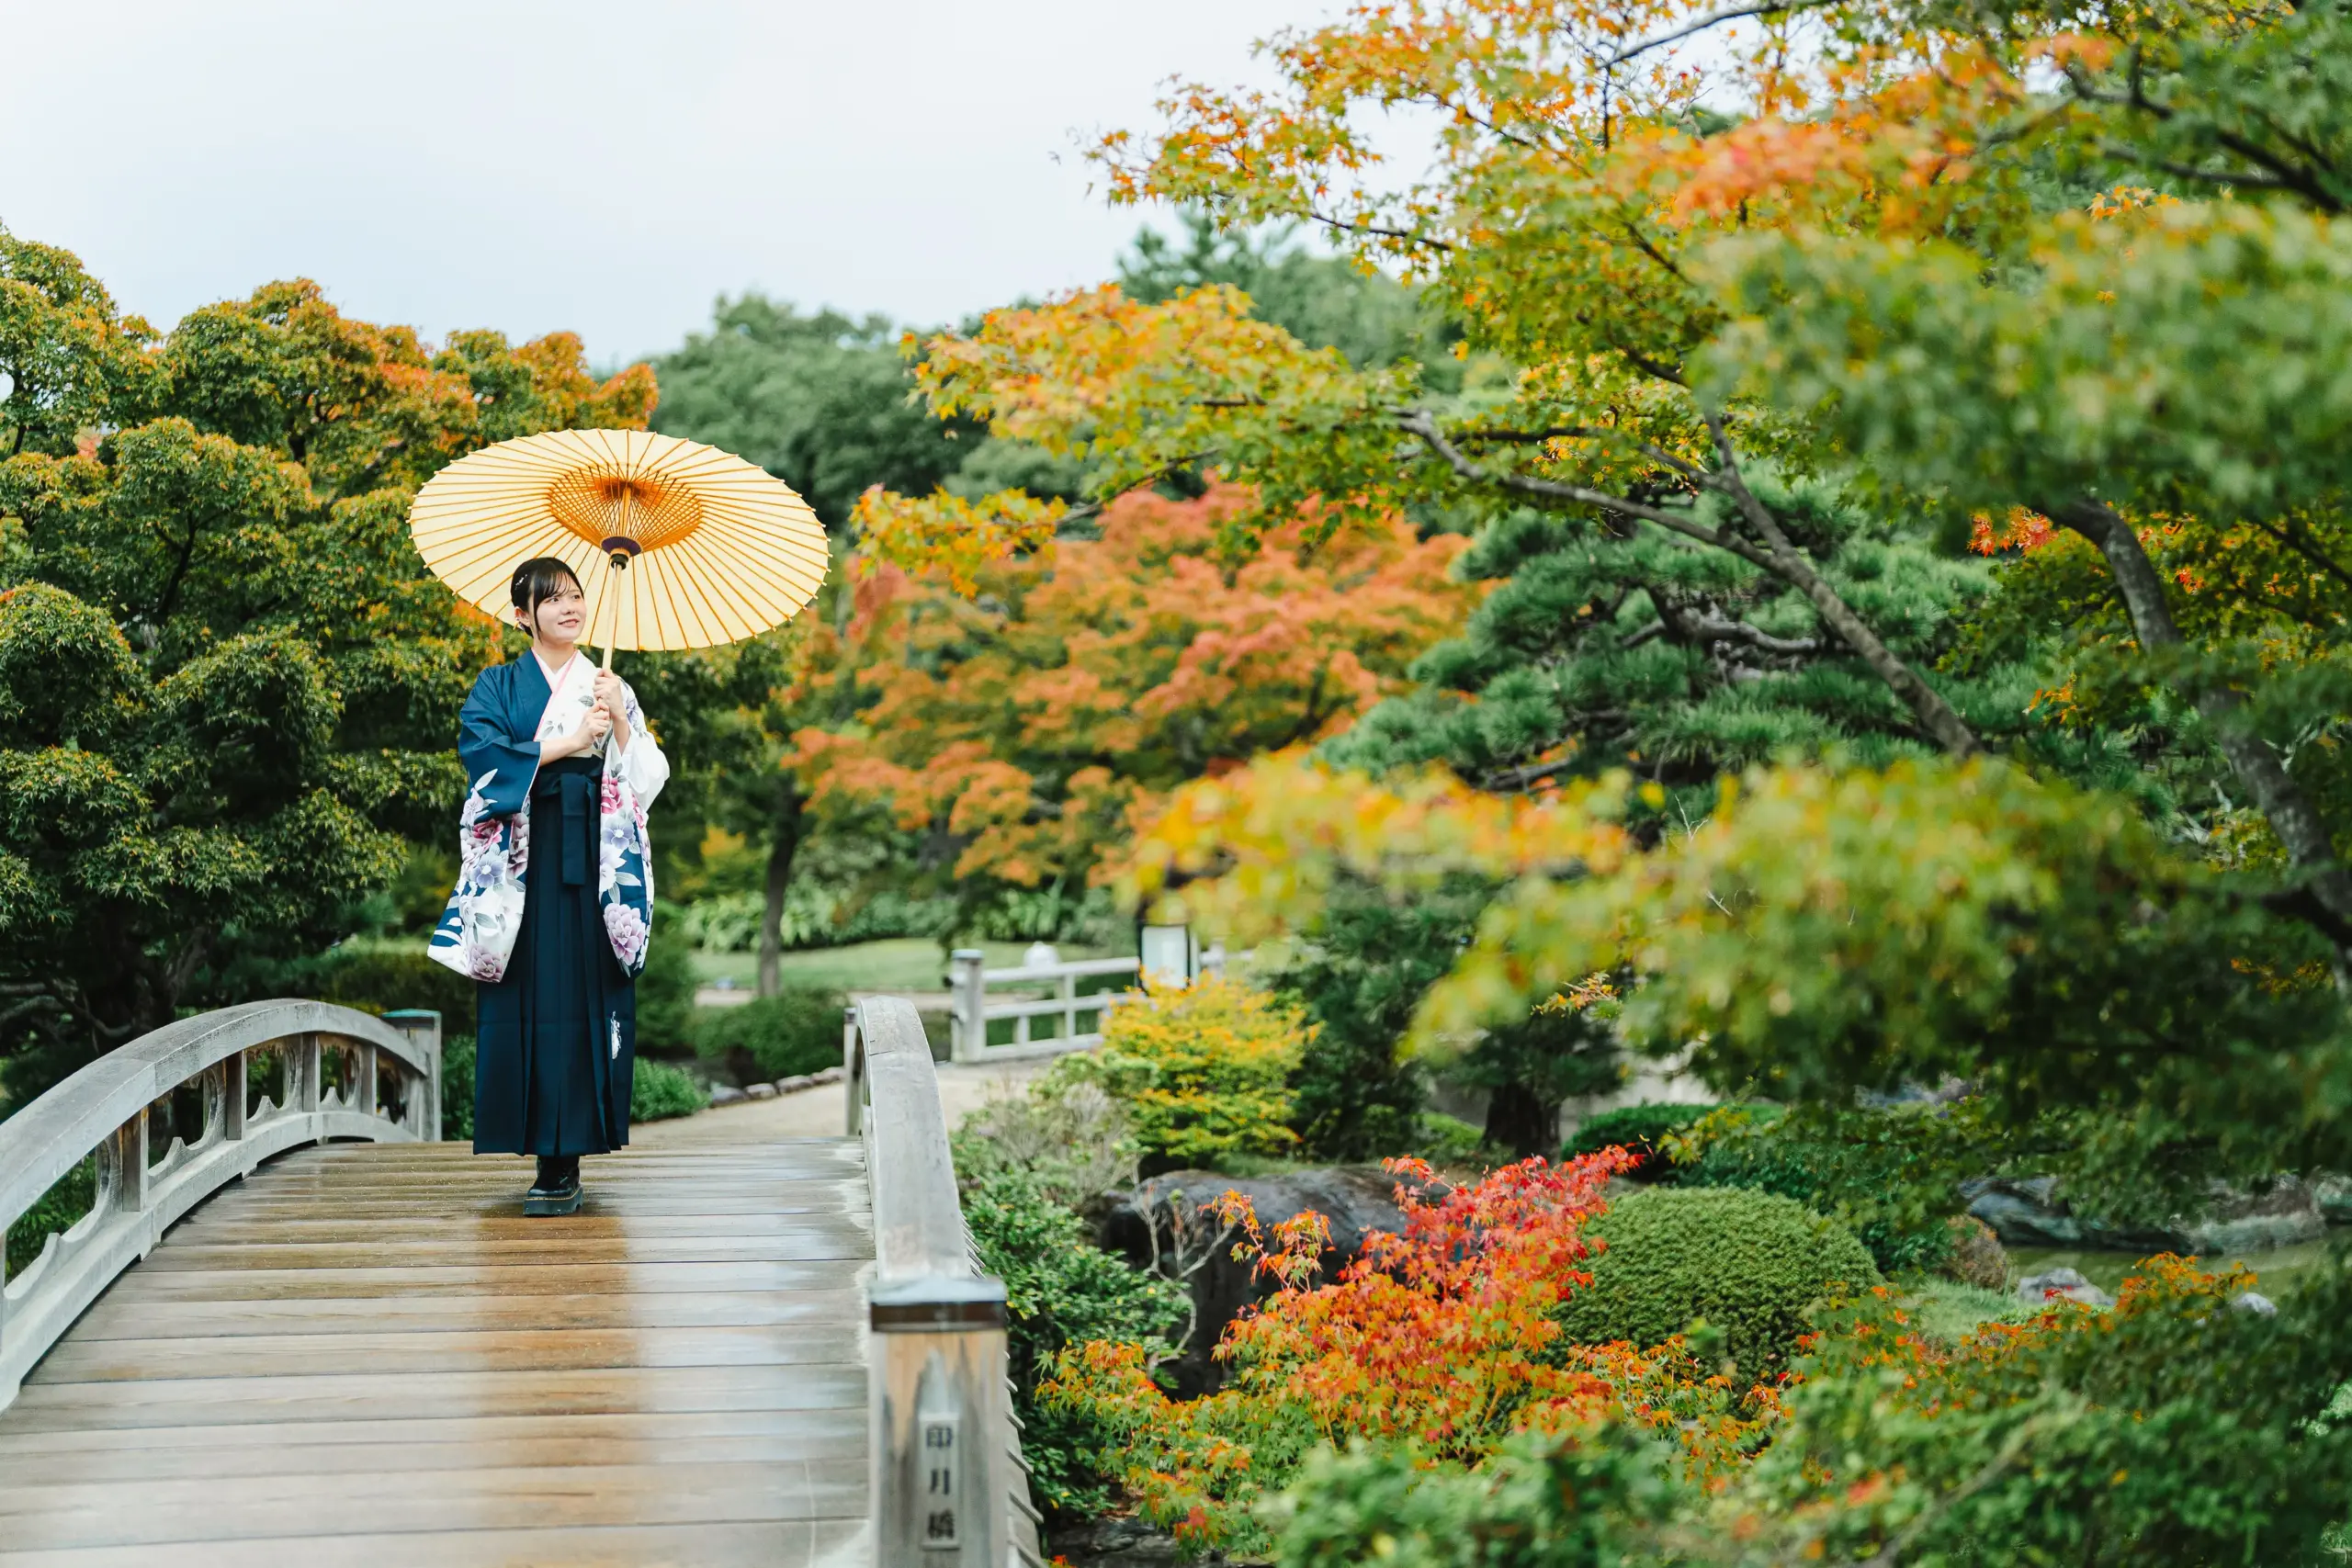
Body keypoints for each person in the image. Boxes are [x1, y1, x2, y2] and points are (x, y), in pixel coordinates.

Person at [425, 556, 670, 1214]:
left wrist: (619, 719)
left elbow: (644, 780)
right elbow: (481, 758)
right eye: (553, 598)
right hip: (522, 862)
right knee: (526, 995)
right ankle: (538, 1147)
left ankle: (565, 1160)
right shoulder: (498, 686)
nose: (569, 607)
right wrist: (565, 741)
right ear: (522, 614)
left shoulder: (607, 683)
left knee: (582, 997)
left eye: (576, 596)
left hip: (591, 855)